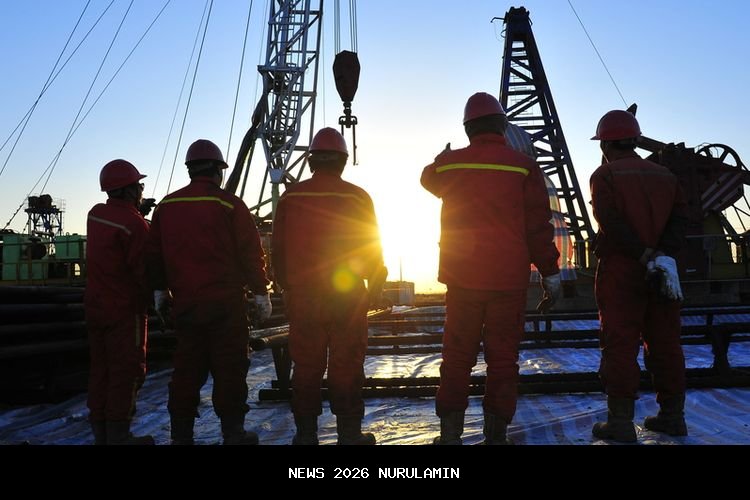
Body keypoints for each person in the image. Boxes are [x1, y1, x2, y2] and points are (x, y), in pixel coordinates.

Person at [421, 92, 561, 445]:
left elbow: (427, 179)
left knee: (456, 357)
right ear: (502, 126)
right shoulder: (524, 167)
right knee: (502, 361)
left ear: (468, 128)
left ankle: (449, 436)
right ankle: (496, 437)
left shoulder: (450, 166)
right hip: (508, 281)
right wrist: (550, 272)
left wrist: (443, 157)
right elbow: (538, 226)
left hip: (463, 279)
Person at [145, 139, 272, 445]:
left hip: (186, 307)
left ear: (190, 169)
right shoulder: (230, 205)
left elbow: (153, 255)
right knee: (230, 370)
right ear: (217, 170)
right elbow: (250, 254)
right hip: (225, 307)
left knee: (186, 372)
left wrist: (160, 291)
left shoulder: (166, 207)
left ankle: (181, 437)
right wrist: (260, 292)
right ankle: (233, 433)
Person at [271, 127, 387, 445]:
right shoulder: (357, 196)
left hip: (304, 296)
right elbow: (370, 245)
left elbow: (278, 249)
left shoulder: (291, 197)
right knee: (346, 364)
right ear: (342, 161)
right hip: (346, 296)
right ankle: (349, 434)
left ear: (311, 161)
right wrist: (375, 282)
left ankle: (306, 435)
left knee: (306, 366)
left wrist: (287, 286)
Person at [589, 110, 689, 442]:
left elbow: (609, 221)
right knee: (666, 342)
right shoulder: (666, 176)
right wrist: (661, 254)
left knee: (619, 343)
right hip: (662, 271)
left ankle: (620, 421)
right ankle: (673, 416)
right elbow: (680, 219)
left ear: (605, 144)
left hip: (622, 270)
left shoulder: (604, 175)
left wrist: (640, 253)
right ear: (634, 140)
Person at [85, 159, 154, 445]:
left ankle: (102, 435)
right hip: (125, 311)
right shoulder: (135, 226)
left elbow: (115, 232)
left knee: (101, 371)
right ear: (128, 190)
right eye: (138, 186)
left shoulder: (95, 215)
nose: (141, 190)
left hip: (95, 308)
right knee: (127, 372)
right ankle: (119, 436)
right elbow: (144, 271)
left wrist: (137, 212)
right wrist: (160, 299)